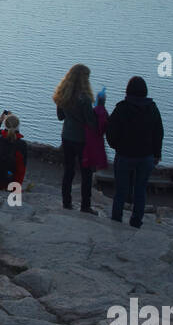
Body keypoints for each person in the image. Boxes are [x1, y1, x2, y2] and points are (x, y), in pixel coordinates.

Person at [104, 76, 164, 228]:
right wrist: (157, 154)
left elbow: (111, 131)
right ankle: (136, 221)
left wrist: (116, 146)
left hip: (124, 155)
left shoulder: (121, 108)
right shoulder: (153, 109)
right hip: (146, 156)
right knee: (140, 190)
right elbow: (159, 133)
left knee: (120, 191)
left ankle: (116, 220)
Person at [54, 64, 108, 213]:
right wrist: (100, 106)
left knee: (68, 171)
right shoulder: (84, 99)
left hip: (66, 136)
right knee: (86, 174)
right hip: (82, 140)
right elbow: (91, 123)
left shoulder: (62, 94)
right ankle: (85, 206)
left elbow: (60, 117)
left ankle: (66, 202)